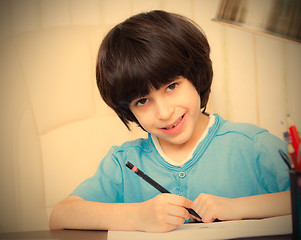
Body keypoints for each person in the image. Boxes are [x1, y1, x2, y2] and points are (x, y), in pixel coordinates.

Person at [49, 10, 291, 233]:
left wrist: (236, 208)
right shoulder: (124, 163)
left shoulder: (253, 145)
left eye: (171, 86)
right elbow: (60, 216)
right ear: (128, 110)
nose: (164, 112)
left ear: (196, 76)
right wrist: (138, 216)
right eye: (142, 101)